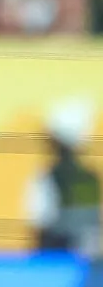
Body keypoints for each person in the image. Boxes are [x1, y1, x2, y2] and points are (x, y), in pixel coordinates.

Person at [28, 100, 99, 256]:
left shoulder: (49, 176)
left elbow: (38, 219)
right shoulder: (91, 177)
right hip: (88, 257)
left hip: (58, 257)